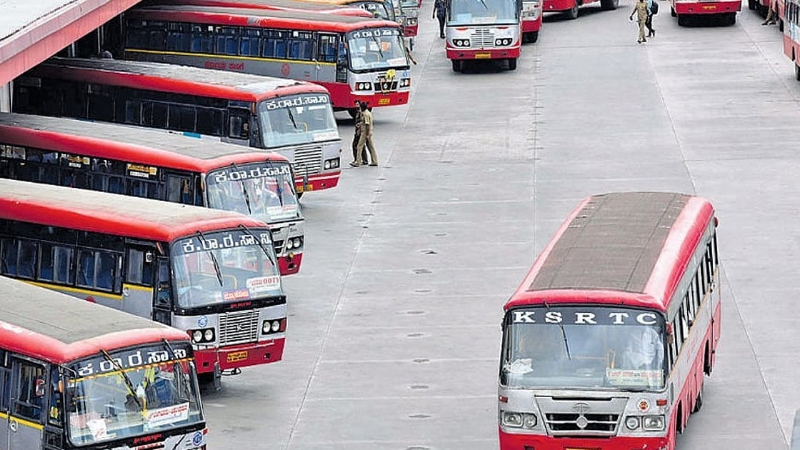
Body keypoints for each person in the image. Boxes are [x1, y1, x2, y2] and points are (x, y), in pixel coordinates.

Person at [350, 102, 377, 167]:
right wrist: (360, 124)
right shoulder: (368, 112)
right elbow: (364, 122)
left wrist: (367, 135)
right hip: (369, 132)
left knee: (359, 146)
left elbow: (367, 125)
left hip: (365, 133)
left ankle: (358, 161)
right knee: (371, 147)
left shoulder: (365, 114)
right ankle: (374, 161)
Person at [351, 100, 370, 165]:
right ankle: (364, 160)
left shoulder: (361, 113)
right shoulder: (358, 112)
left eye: (357, 104)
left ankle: (357, 160)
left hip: (359, 131)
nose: (356, 106)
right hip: (358, 130)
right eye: (355, 104)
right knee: (362, 146)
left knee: (356, 145)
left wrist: (359, 129)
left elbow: (364, 122)